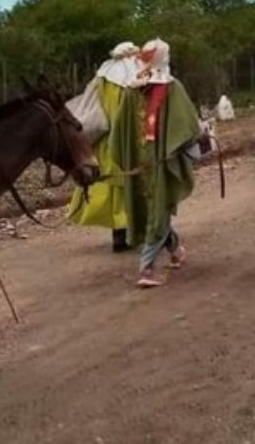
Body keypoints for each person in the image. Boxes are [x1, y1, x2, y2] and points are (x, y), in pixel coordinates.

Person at [127, 38, 200, 288]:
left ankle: (171, 253)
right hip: (158, 160)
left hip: (142, 160)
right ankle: (149, 266)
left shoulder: (134, 89)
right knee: (159, 210)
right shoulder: (169, 87)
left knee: (158, 208)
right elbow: (188, 125)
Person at [67, 42, 142, 252]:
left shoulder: (102, 77)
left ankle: (119, 235)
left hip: (104, 143)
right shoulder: (132, 79)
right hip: (127, 142)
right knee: (130, 185)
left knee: (111, 188)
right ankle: (134, 233)